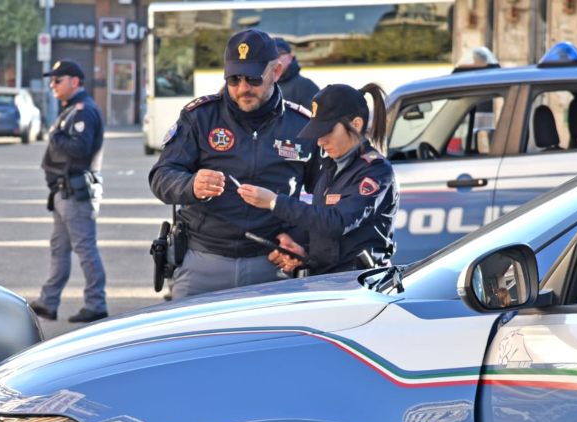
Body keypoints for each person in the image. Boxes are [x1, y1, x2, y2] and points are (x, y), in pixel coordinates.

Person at [149, 29, 317, 299]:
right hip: (203, 260)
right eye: (234, 79)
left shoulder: (301, 125)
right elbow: (161, 176)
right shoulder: (200, 117)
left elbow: (324, 195)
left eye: (253, 79)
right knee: (190, 341)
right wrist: (191, 184)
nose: (242, 89)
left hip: (272, 264)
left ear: (275, 72)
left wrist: (300, 239)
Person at [238, 83, 398, 275]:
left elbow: (337, 222)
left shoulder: (376, 171)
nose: (320, 141)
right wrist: (300, 247)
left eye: (328, 131)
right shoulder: (331, 166)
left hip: (359, 283)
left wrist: (274, 202)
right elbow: (321, 224)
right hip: (331, 280)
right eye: (318, 133)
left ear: (356, 124)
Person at [29, 59, 108, 323]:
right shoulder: (71, 109)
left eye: (58, 80)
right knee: (59, 248)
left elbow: (80, 149)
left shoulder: (83, 111)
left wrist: (55, 136)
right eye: (52, 80)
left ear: (74, 81)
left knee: (85, 249)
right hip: (64, 192)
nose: (52, 84)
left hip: (76, 192)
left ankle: (96, 303)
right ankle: (48, 302)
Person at [274, 37, 319, 110]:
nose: (275, 59)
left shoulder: (305, 86)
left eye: (278, 54)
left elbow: (316, 118)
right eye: (271, 56)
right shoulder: (262, 86)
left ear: (290, 57)